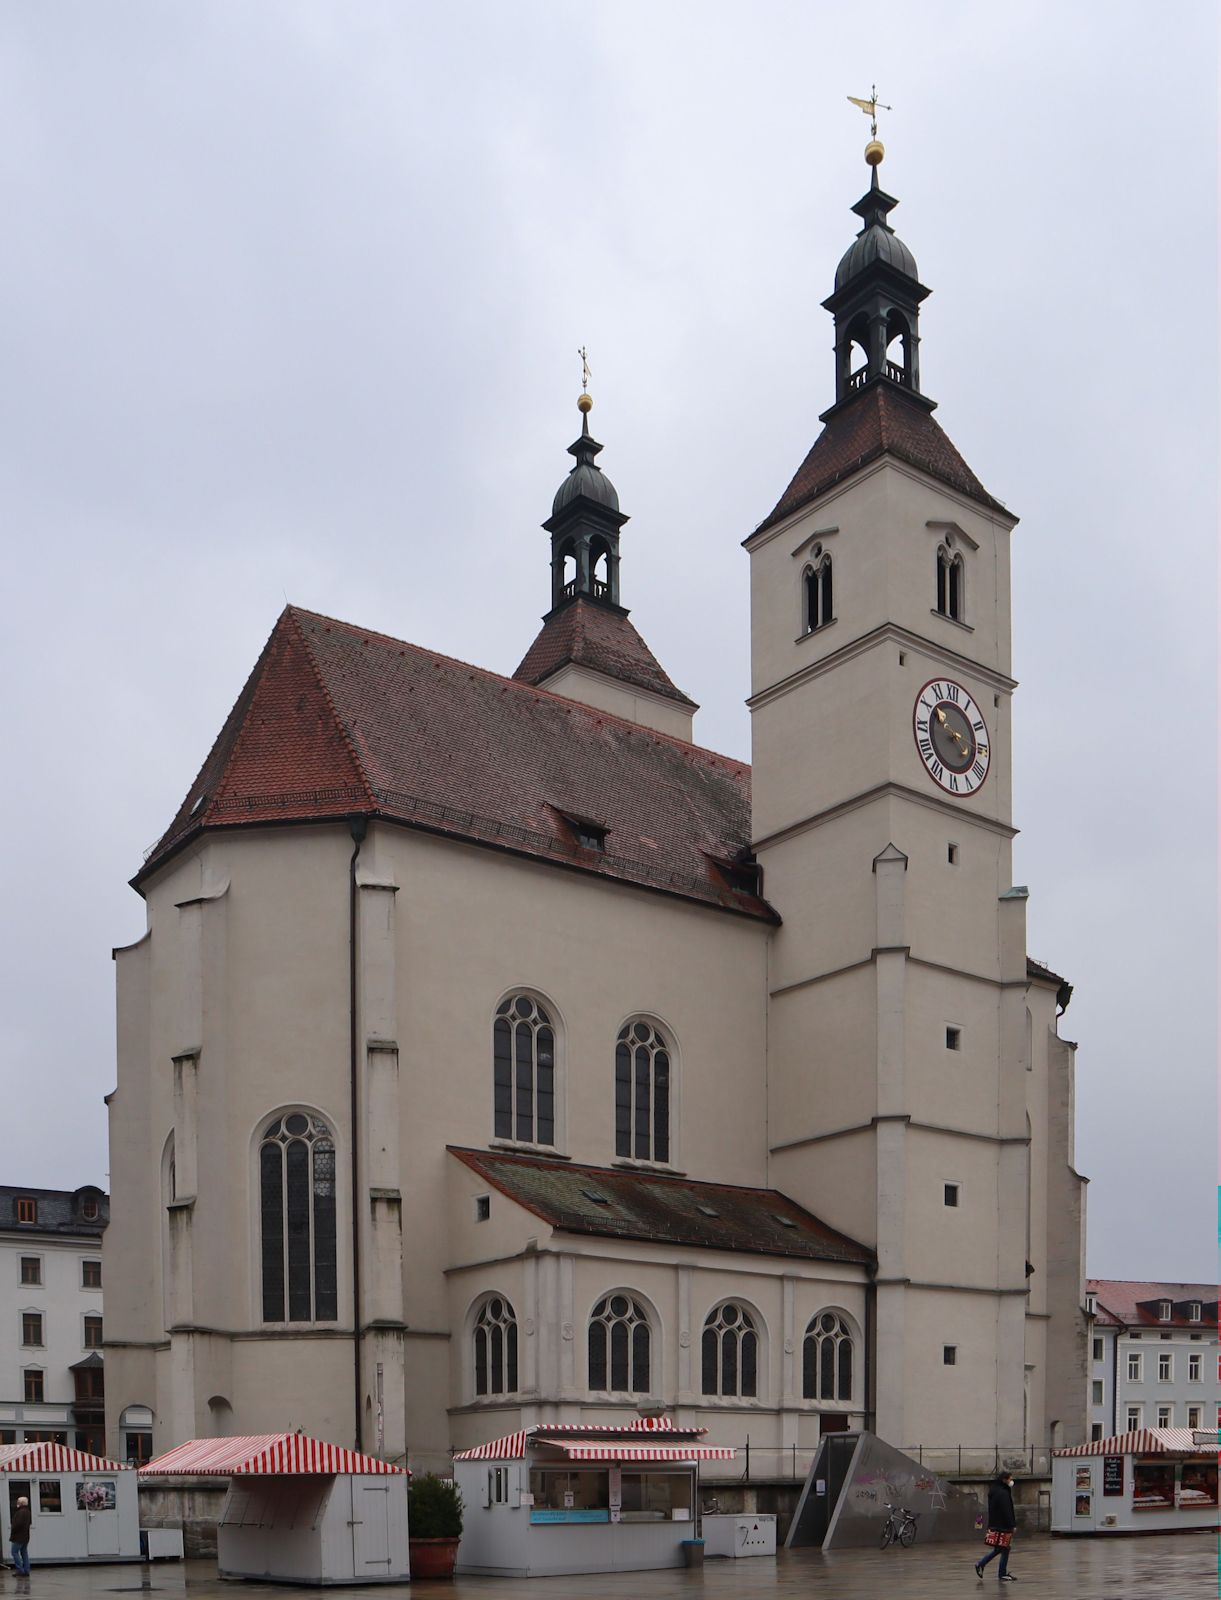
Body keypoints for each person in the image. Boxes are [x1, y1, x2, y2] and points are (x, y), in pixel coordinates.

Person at [974, 1471, 1016, 1582]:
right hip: (1003, 1525)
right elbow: (1007, 1510)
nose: (1011, 1481)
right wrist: (1012, 1525)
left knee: (1002, 1548)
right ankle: (984, 1565)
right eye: (1010, 1479)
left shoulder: (995, 1490)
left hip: (996, 1524)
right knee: (1003, 1548)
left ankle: (997, 1571)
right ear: (1004, 1480)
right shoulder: (1003, 1493)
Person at [10, 1495, 31, 1576]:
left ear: (21, 1503)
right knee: (24, 1553)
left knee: (14, 1552)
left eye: (18, 1502)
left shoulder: (20, 1512)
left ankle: (20, 1570)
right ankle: (26, 1570)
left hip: (18, 1537)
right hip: (25, 1536)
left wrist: (13, 1530)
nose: (17, 1503)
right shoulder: (27, 1511)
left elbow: (17, 1524)